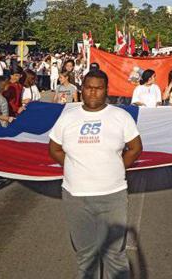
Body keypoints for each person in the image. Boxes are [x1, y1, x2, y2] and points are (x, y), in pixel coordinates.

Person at [48, 69, 143, 279]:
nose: (93, 93)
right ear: (81, 89)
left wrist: (116, 167)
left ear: (106, 91)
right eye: (88, 88)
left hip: (113, 196)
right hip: (76, 197)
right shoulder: (68, 117)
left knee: (115, 256)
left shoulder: (120, 116)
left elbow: (135, 148)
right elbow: (54, 148)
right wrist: (76, 165)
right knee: (85, 256)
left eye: (98, 89)